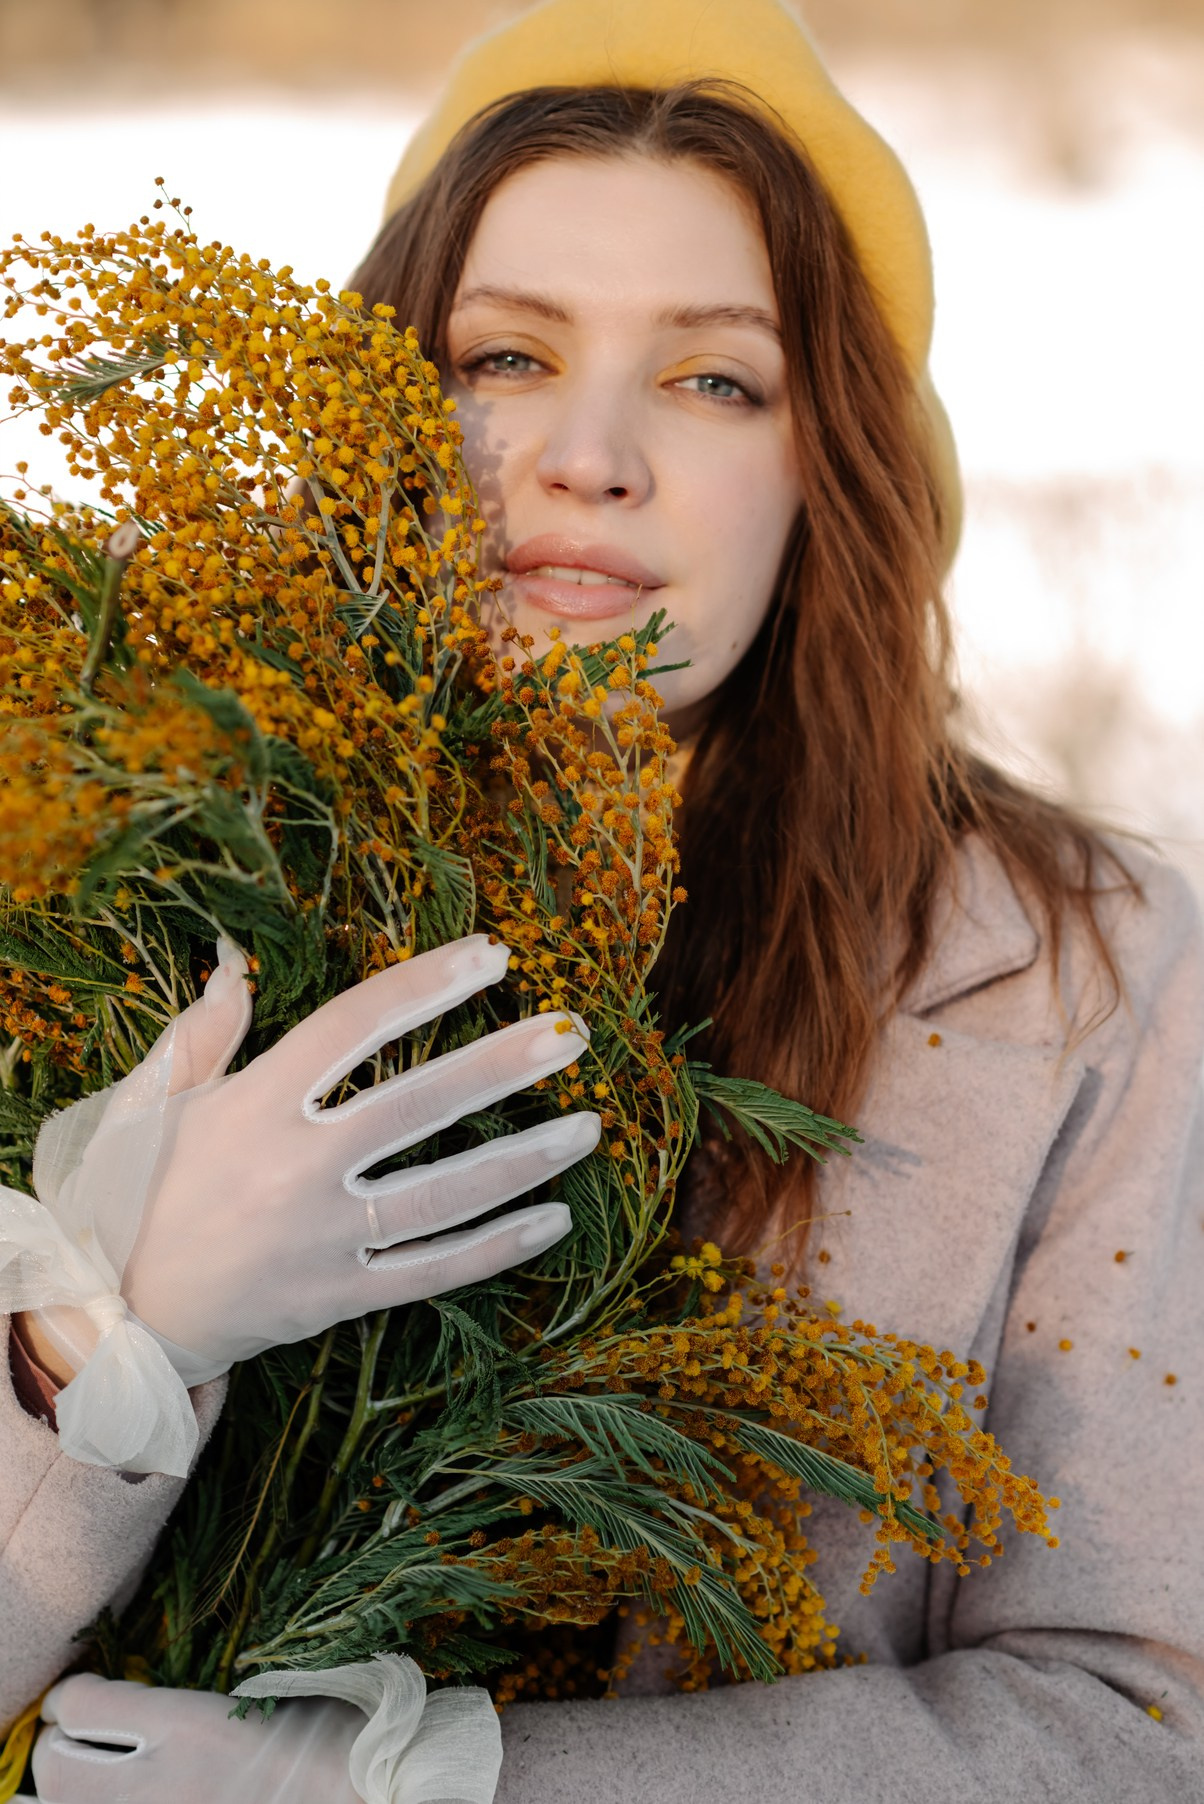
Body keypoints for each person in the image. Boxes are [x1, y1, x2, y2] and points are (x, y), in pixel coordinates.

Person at [4, 0, 1204, 1799]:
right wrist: (98, 1338)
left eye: (715, 379)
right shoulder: (95, 842)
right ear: (374, 405)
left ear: (833, 463)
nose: (590, 455)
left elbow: (1136, 1720)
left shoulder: (1081, 979)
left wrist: (443, 1785)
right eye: (506, 355)